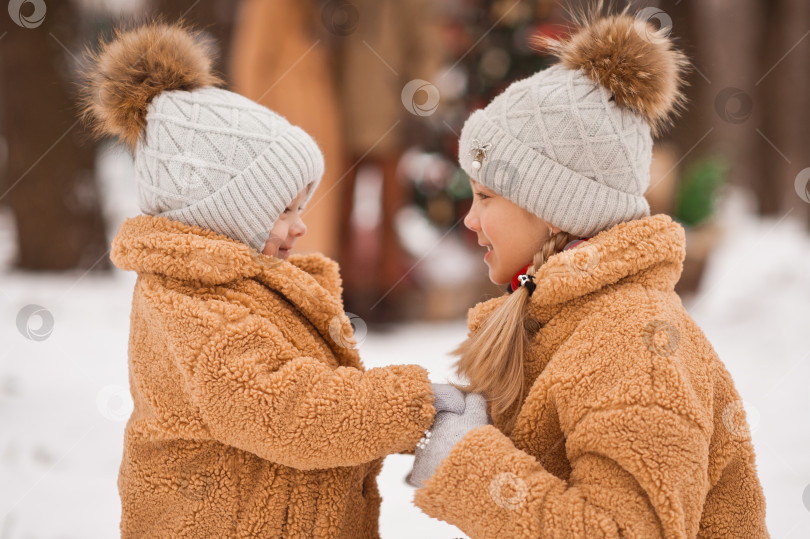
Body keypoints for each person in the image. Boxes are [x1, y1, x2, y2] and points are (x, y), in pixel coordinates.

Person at [80, 22, 461, 538]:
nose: (300, 225)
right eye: (283, 210)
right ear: (222, 211)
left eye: (300, 207)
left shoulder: (237, 286)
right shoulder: (188, 302)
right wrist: (412, 404)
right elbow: (285, 410)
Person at [407, 7, 769, 538]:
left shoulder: (635, 347)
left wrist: (468, 462)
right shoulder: (565, 323)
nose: (470, 216)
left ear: (554, 208)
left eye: (485, 196)